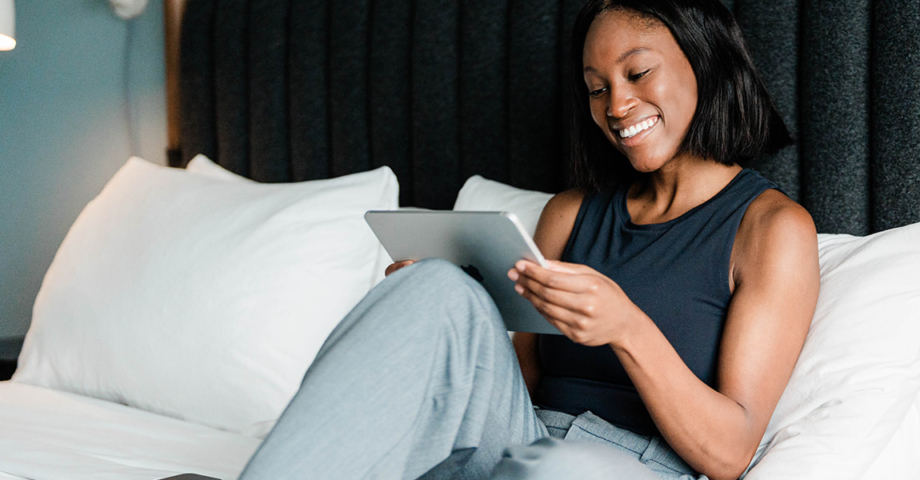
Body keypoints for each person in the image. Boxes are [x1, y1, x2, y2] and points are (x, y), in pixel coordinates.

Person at [237, 1, 818, 479]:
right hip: (524, 440)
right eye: (596, 89)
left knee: (552, 470)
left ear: (705, 62)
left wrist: (627, 328)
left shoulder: (769, 228)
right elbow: (518, 386)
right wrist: (460, 318)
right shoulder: (570, 213)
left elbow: (732, 452)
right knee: (438, 287)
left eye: (637, 74)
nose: (616, 106)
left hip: (632, 465)